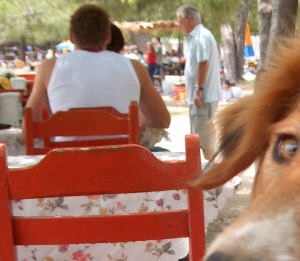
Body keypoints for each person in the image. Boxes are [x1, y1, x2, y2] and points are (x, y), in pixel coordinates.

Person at [25, 5, 170, 131]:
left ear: (71, 37)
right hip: (121, 160)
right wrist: (130, 120)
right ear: (108, 37)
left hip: (68, 160)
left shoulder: (49, 68)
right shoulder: (135, 68)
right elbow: (162, 120)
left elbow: (29, 127)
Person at [177, 4, 221, 159]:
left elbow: (203, 62)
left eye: (180, 22)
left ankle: (214, 179)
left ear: (189, 19)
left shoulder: (201, 35)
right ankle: (211, 177)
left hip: (203, 97)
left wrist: (198, 90)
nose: (180, 26)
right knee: (200, 141)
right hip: (201, 96)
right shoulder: (198, 36)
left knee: (206, 143)